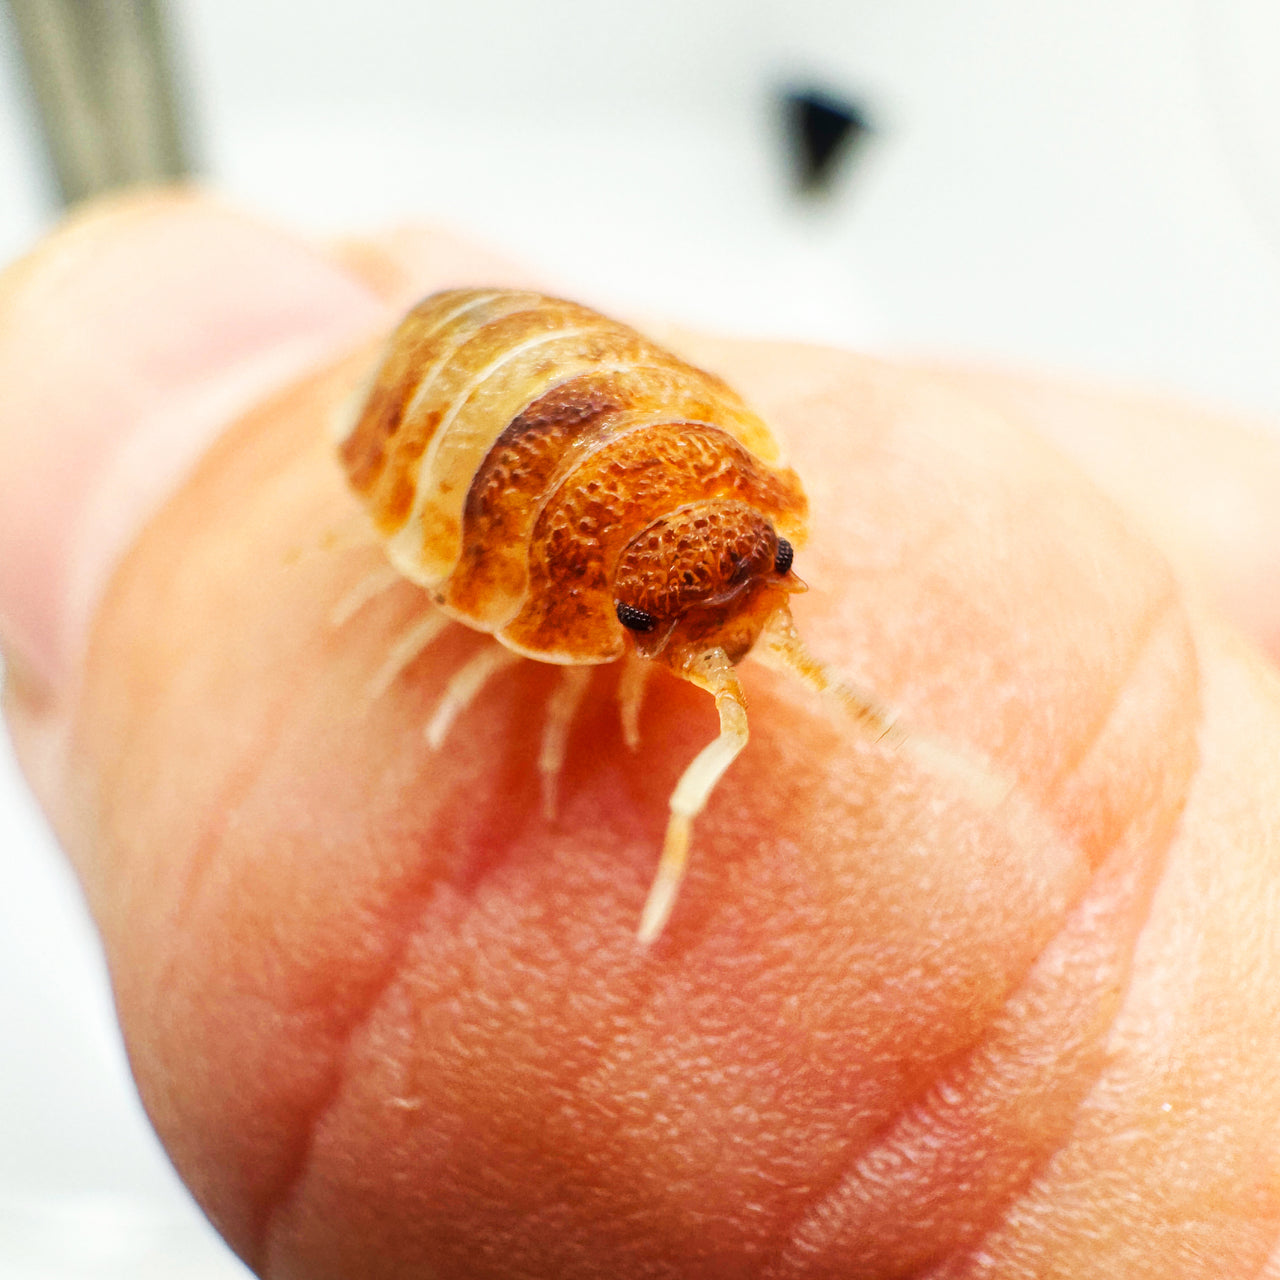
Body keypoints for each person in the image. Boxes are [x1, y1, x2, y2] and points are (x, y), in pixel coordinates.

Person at [2, 191, 1278, 1278]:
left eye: (764, 566)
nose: (731, 620)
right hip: (432, 381)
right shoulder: (530, 574)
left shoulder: (729, 508)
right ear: (586, 608)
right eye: (655, 618)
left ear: (768, 520)